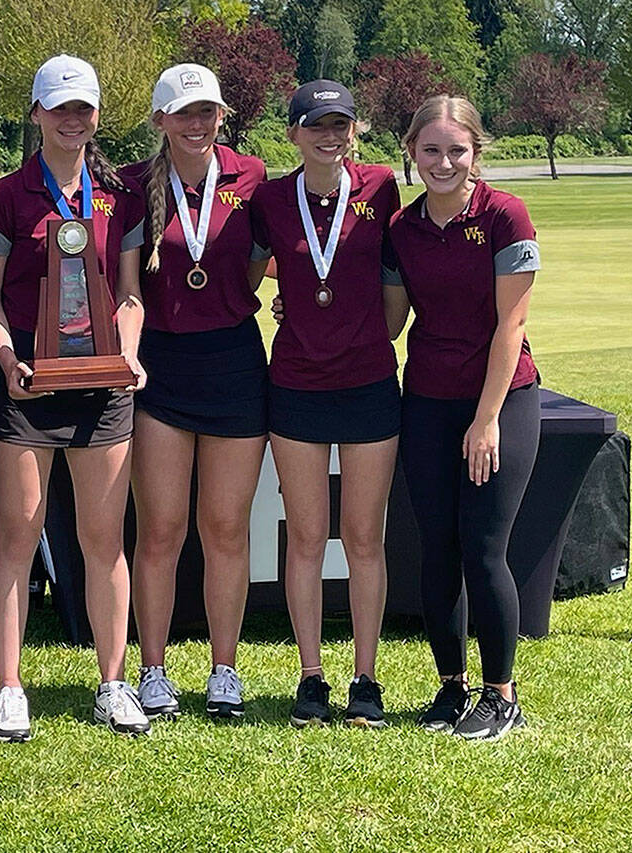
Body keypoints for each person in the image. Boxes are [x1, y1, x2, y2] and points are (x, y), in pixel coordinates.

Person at [0, 55, 149, 739]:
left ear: (97, 115)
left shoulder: (119, 197)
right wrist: (8, 360)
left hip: (103, 387)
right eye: (59, 108)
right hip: (27, 384)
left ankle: (113, 683)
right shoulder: (6, 196)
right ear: (36, 113)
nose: (72, 119)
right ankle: (9, 687)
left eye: (83, 108)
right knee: (17, 536)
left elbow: (129, 293)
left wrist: (128, 352)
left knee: (104, 540)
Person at [248, 79, 405, 729]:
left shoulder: (381, 186)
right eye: (317, 125)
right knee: (308, 537)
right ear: (293, 134)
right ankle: (311, 676)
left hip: (369, 382)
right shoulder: (270, 199)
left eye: (341, 124)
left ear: (355, 130)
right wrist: (286, 297)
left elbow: (394, 281)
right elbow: (250, 273)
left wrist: (374, 327)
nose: (330, 136)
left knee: (364, 538)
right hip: (296, 384)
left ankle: (365, 677)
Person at [388, 95, 541, 741]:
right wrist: (309, 302)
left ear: (477, 152)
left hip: (502, 402)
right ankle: (451, 686)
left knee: (482, 549)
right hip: (426, 400)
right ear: (411, 152)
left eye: (456, 150)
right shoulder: (401, 227)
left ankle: (501, 695)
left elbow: (513, 323)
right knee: (438, 549)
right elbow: (390, 322)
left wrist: (486, 419)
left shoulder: (505, 214)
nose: (443, 162)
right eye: (431, 150)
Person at [119, 64, 268, 720]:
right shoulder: (132, 184)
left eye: (207, 111)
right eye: (184, 113)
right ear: (160, 121)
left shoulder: (251, 175)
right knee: (161, 529)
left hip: (235, 364)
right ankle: (152, 670)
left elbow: (263, 260)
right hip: (161, 369)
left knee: (226, 528)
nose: (197, 123)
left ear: (221, 116)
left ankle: (224, 669)